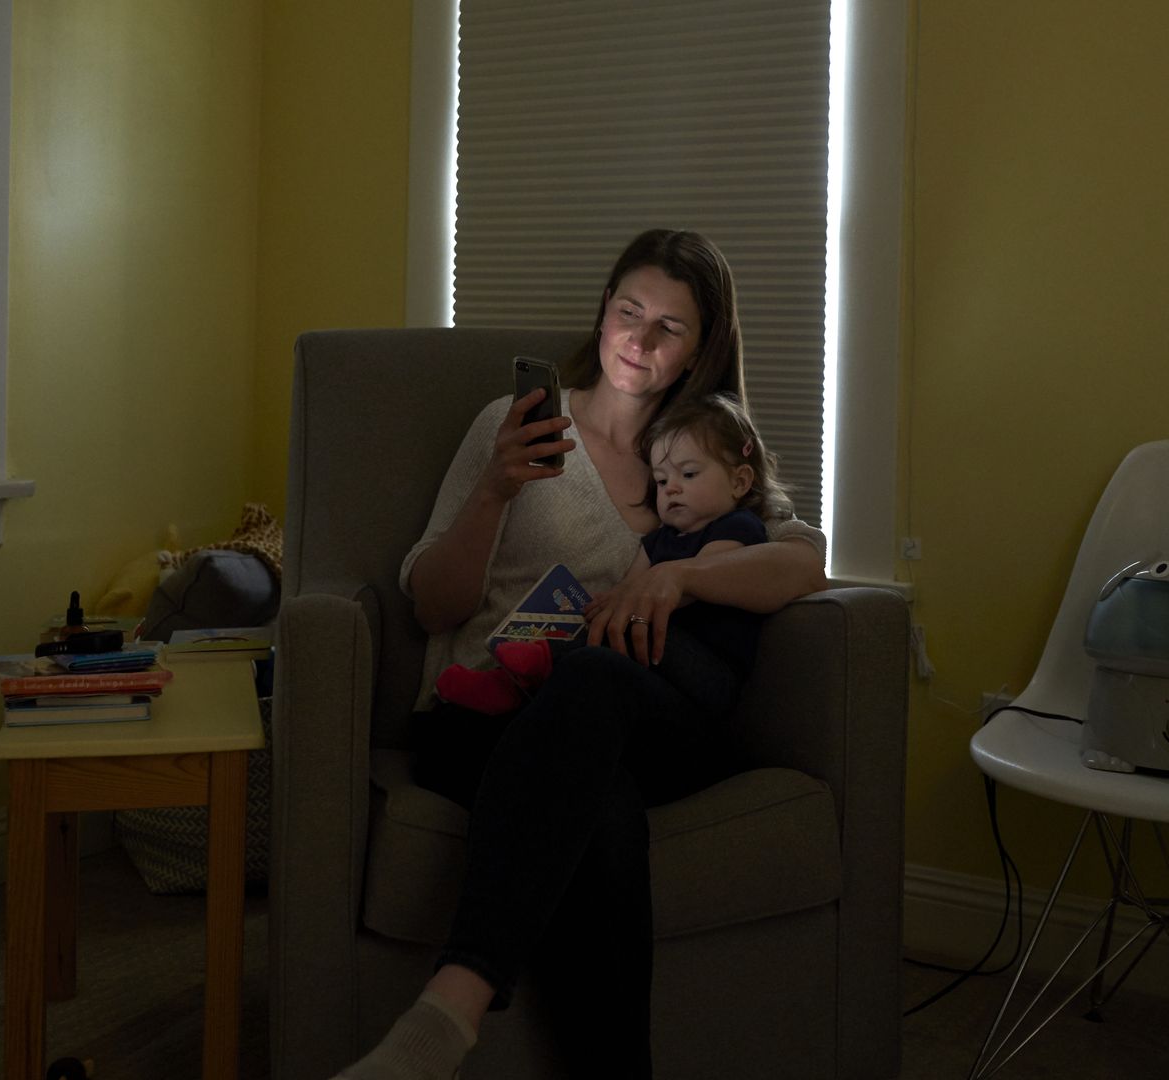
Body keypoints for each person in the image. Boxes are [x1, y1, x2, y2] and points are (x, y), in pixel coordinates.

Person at [334, 229, 827, 1080]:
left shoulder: (697, 455)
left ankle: (449, 1008)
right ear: (603, 311)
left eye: (670, 328)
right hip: (484, 716)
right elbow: (432, 604)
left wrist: (681, 585)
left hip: (640, 716)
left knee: (598, 678)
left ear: (697, 353)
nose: (640, 340)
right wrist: (494, 489)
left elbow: (803, 556)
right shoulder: (515, 427)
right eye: (629, 312)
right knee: (601, 807)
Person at [433, 392, 794, 718]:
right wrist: (598, 608)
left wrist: (630, 603)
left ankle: (536, 668)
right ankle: (510, 683)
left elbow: (700, 579)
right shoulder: (659, 540)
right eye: (663, 480)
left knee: (627, 629)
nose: (673, 489)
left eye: (688, 473)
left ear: (740, 482)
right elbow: (628, 588)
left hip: (707, 670)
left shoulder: (737, 527)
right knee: (608, 633)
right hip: (652, 665)